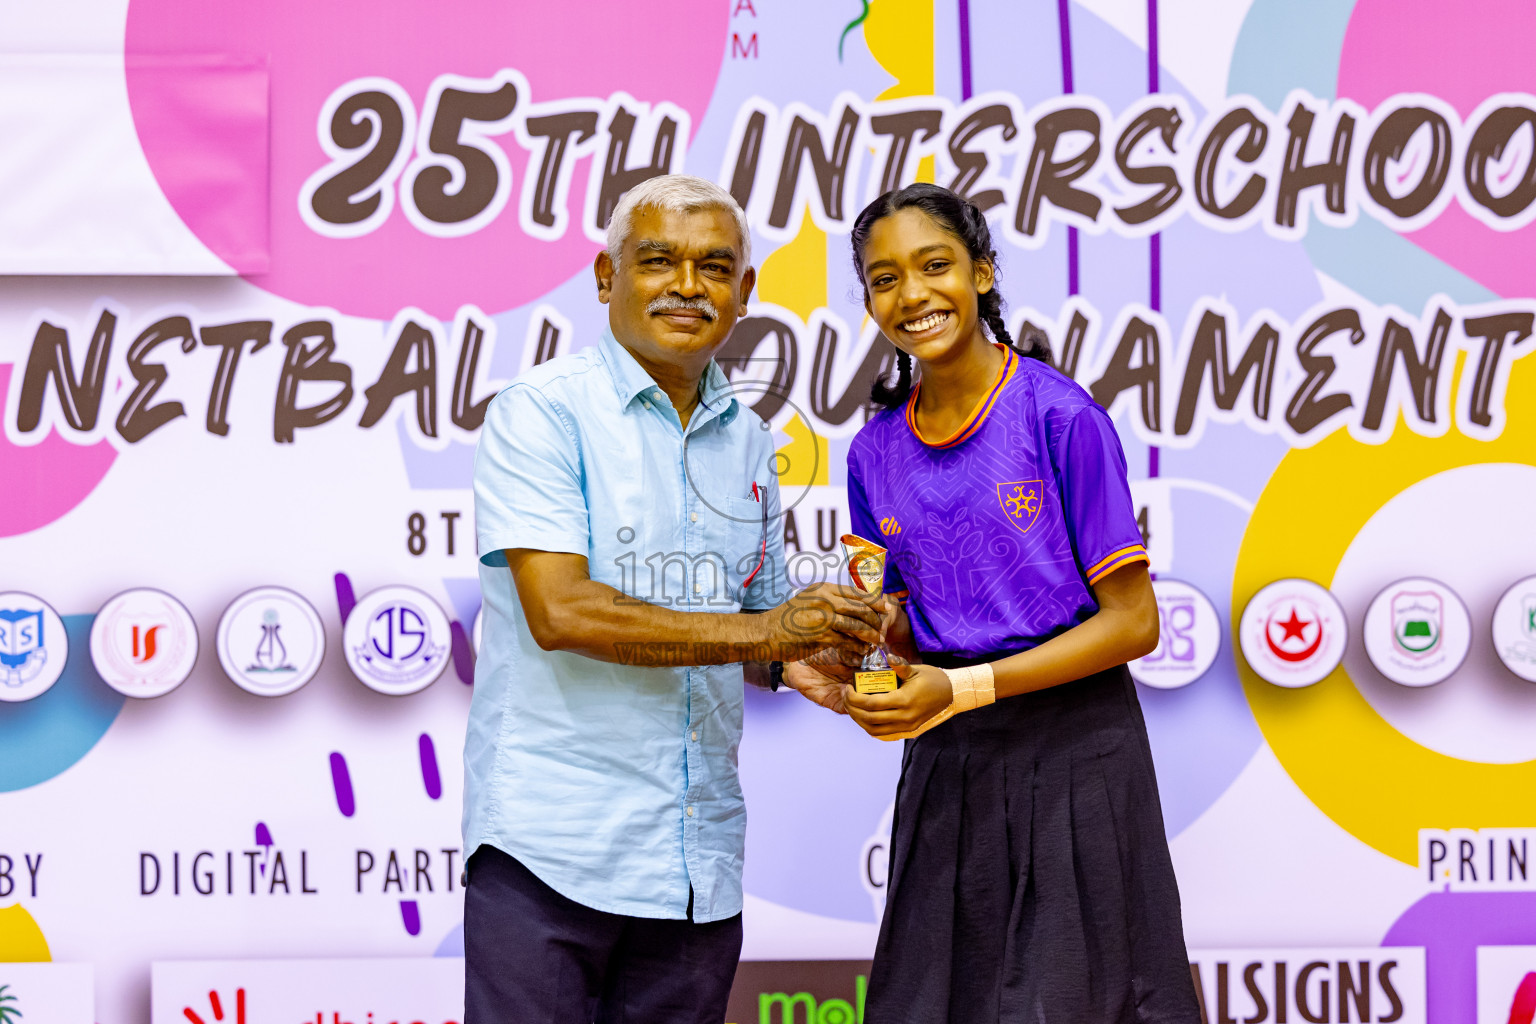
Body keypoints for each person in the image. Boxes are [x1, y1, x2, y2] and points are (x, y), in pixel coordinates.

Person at [465, 173, 882, 1024]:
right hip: (552, 852)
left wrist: (818, 653)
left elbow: (762, 628)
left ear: (745, 293)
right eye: (657, 261)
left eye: (714, 266)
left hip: (697, 866)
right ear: (606, 277)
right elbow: (563, 613)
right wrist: (768, 628)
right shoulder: (541, 413)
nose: (687, 286)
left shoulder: (751, 435)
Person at [788, 182, 1202, 1023]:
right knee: (938, 1001)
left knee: (1080, 1001)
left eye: (934, 265)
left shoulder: (1060, 417)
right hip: (949, 763)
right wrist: (859, 642)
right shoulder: (873, 451)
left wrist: (962, 687)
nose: (912, 295)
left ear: (982, 273)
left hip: (1080, 752)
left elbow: (1132, 622)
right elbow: (902, 620)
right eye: (883, 278)